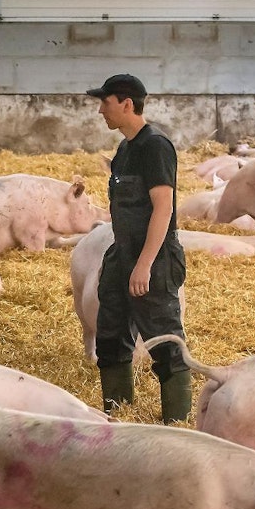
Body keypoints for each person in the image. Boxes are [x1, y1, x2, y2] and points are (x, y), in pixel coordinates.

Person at [85, 73, 191, 424]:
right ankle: (118, 414)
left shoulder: (155, 146)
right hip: (122, 253)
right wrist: (121, 260)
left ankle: (177, 423)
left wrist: (144, 264)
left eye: (106, 102)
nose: (101, 110)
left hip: (154, 259)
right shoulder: (125, 149)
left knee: (165, 343)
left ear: (126, 104)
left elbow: (163, 209)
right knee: (110, 338)